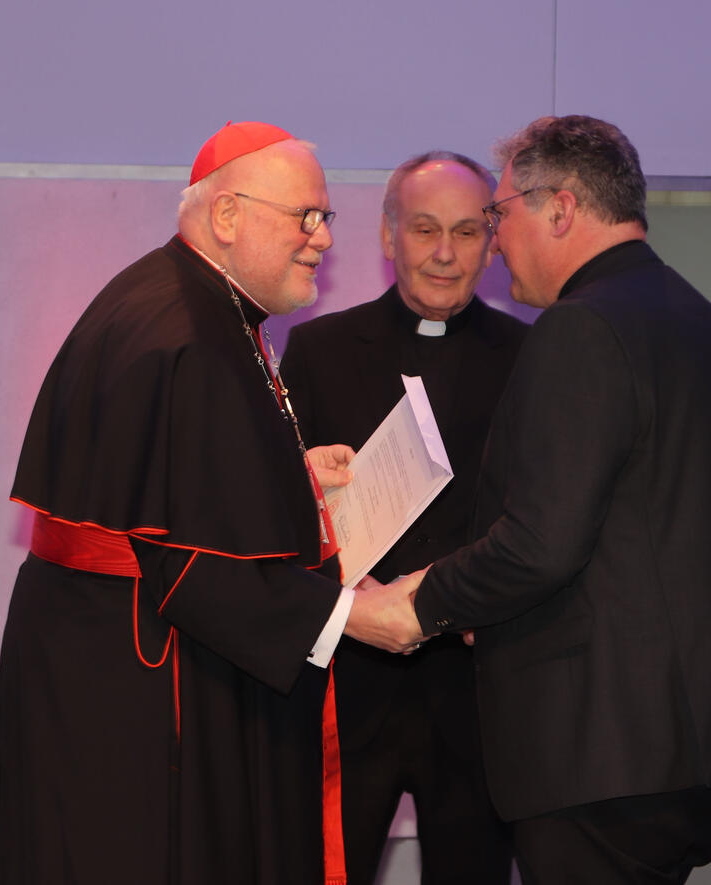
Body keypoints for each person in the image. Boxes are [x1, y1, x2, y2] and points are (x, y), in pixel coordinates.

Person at [0, 121, 404, 885]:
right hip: (134, 685)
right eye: (304, 216)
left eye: (325, 218)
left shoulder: (191, 301)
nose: (321, 240)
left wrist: (293, 475)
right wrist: (356, 615)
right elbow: (193, 565)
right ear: (228, 215)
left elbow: (180, 482)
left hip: (105, 653)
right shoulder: (189, 332)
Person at [358, 115, 711, 884]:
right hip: (693, 748)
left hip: (602, 751)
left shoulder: (581, 329)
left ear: (561, 208)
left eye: (499, 214)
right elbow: (645, 538)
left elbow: (541, 543)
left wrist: (424, 602)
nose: (496, 240)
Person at [281, 151, 526, 884]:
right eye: (424, 229)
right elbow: (281, 509)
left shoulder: (532, 356)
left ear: (492, 240)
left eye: (465, 231)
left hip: (479, 692)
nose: (445, 253)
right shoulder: (320, 348)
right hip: (349, 686)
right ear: (389, 237)